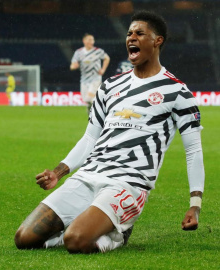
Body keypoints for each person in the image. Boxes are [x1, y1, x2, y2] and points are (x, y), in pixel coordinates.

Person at [14, 11, 205, 254]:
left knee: (76, 241)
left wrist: (195, 205)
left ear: (157, 41)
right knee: (24, 238)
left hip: (128, 183)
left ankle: (118, 234)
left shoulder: (177, 92)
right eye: (129, 33)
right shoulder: (110, 86)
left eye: (139, 33)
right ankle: (89, 224)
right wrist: (59, 171)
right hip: (89, 175)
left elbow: (193, 151)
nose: (131, 38)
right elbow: (90, 138)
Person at [70, 33, 110, 114]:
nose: (91, 41)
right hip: (84, 79)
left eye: (92, 40)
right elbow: (72, 65)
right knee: (86, 99)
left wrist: (103, 69)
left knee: (89, 98)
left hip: (96, 78)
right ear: (84, 41)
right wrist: (74, 66)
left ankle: (97, 112)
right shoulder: (79, 52)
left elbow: (107, 58)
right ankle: (93, 108)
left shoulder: (98, 51)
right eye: (89, 40)